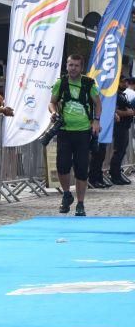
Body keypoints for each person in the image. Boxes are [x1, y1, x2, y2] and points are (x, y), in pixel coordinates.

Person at [50, 54, 101, 216]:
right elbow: (52, 102)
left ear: (81, 67)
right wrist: (53, 113)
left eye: (76, 65)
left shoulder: (88, 83)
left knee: (81, 169)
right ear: (66, 65)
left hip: (83, 132)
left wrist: (96, 121)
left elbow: (98, 103)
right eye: (70, 65)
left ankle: (80, 203)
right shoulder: (61, 83)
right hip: (64, 131)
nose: (73, 68)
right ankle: (66, 194)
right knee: (62, 166)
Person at [108, 76, 135, 185]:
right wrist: (127, 113)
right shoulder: (114, 95)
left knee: (122, 151)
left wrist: (130, 111)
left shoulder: (121, 94)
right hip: (119, 126)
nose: (125, 84)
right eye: (122, 82)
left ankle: (117, 174)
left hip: (125, 125)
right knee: (118, 151)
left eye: (125, 82)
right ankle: (114, 175)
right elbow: (114, 110)